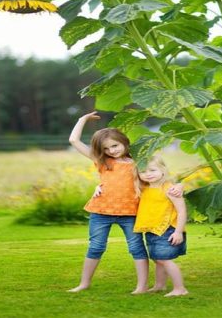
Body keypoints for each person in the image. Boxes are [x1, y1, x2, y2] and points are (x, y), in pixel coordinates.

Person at [67, 111, 183, 294]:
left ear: (124, 141)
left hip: (130, 213)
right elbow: (74, 141)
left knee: (136, 248)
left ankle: (142, 287)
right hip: (101, 211)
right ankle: (84, 283)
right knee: (96, 246)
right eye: (106, 149)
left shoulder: (138, 162)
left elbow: (160, 175)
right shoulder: (102, 161)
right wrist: (82, 120)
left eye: (114, 145)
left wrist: (180, 185)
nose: (111, 151)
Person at [134, 156, 189, 297]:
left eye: (152, 170)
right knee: (157, 259)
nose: (148, 174)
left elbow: (182, 211)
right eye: (143, 171)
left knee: (164, 259)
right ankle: (160, 285)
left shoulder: (170, 189)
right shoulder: (144, 188)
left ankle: (180, 288)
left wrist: (178, 232)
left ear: (163, 170)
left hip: (168, 229)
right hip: (152, 229)